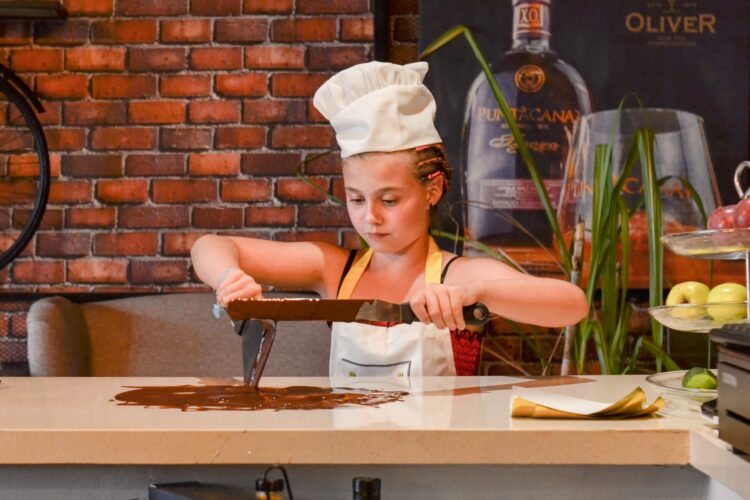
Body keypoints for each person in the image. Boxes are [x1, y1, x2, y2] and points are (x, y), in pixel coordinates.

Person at [191, 61, 588, 377]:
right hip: (348, 458)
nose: (370, 218)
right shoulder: (333, 270)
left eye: (390, 199)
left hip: (438, 463)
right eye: (356, 199)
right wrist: (228, 277)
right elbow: (209, 246)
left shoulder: (458, 277)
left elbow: (572, 305)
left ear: (431, 190)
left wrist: (475, 294)